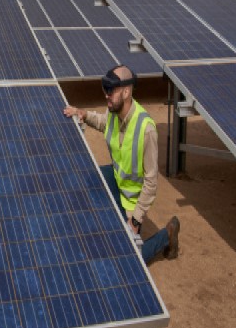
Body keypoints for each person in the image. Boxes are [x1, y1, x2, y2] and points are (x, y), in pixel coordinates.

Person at [63, 64, 179, 264]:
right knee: (84, 182)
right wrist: (83, 113)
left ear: (126, 92)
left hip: (132, 199)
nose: (106, 95)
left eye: (110, 90)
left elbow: (151, 182)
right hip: (116, 177)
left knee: (125, 260)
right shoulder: (114, 113)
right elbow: (103, 122)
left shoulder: (146, 129)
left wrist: (136, 218)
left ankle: (167, 235)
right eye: (104, 89)